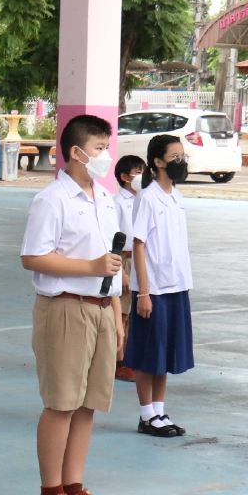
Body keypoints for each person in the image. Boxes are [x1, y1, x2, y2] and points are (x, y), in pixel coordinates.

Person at [21, 115, 123, 495]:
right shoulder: (52, 199)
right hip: (65, 306)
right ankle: (50, 493)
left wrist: (116, 315)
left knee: (88, 404)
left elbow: (112, 264)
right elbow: (33, 255)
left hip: (100, 308)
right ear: (77, 152)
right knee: (62, 403)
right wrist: (90, 266)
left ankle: (74, 487)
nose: (106, 156)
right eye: (100, 149)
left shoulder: (106, 198)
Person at [123, 134, 193, 438]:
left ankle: (160, 411)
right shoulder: (148, 198)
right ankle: (146, 414)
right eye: (175, 156)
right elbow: (139, 245)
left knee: (165, 353)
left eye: (183, 156)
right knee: (148, 353)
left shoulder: (176, 196)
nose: (181, 161)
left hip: (177, 285)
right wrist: (144, 292)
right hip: (154, 289)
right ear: (158, 162)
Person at [113, 155, 146, 383]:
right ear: (126, 177)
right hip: (124, 260)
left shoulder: (143, 200)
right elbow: (112, 238)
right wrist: (121, 272)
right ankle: (119, 362)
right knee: (122, 314)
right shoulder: (117, 202)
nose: (142, 177)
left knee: (135, 314)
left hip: (139, 259)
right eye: (138, 172)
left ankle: (131, 359)